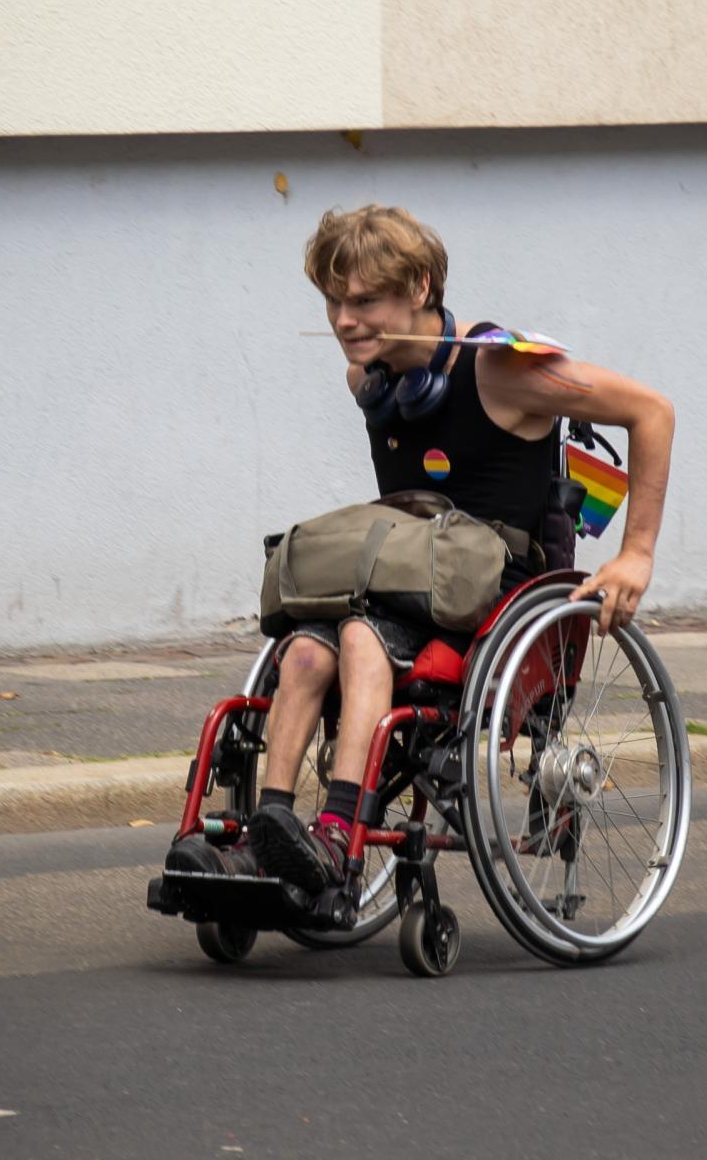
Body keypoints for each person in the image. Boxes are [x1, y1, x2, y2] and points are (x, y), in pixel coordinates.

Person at [237, 204, 675, 913]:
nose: (345, 321)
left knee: (357, 637)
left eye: (365, 301)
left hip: (491, 593)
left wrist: (637, 554)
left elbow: (651, 410)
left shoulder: (500, 371)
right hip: (405, 585)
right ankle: (266, 836)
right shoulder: (372, 383)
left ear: (421, 287)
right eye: (333, 302)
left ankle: (336, 837)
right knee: (304, 653)